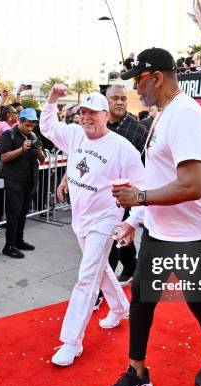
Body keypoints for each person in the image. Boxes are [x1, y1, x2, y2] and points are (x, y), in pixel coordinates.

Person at [102, 47, 201, 386]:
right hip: (160, 231)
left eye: (138, 81)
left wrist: (138, 199)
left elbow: (191, 185)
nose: (133, 91)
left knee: (200, 300)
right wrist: (135, 219)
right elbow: (157, 176)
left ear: (157, 78)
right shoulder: (163, 114)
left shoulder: (185, 115)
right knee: (141, 299)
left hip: (196, 234)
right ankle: (137, 372)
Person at [40, 88, 146, 366]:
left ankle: (71, 342)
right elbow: (48, 127)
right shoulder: (75, 135)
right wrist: (52, 100)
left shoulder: (123, 149)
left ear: (106, 116)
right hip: (81, 218)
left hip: (105, 220)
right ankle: (122, 307)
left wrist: (132, 221)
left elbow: (144, 187)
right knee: (99, 269)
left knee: (87, 277)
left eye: (92, 113)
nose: (85, 118)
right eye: (82, 113)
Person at [0, 108, 46, 259]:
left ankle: (19, 240)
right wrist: (21, 149)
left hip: (30, 180)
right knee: (13, 214)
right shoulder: (8, 134)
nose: (30, 128)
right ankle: (9, 245)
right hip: (14, 180)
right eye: (27, 124)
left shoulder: (34, 136)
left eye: (32, 125)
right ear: (20, 121)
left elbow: (43, 158)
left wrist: (39, 152)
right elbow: (4, 157)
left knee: (23, 213)